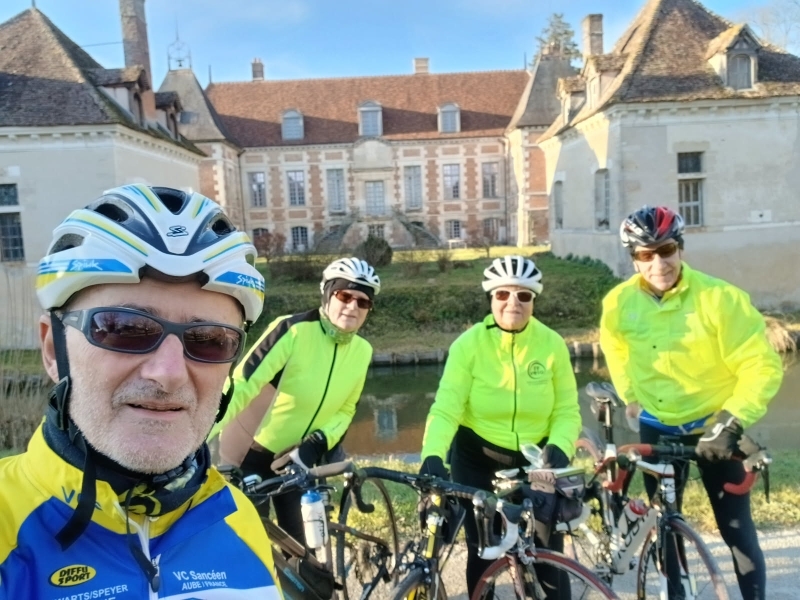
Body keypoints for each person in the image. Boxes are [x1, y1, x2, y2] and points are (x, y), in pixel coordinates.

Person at [0, 185, 281, 598]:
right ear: (53, 350)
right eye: (125, 329)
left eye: (210, 340)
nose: (168, 374)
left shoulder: (238, 518)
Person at [600, 205, 784, 600]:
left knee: (737, 532)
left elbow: (761, 366)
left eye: (666, 250)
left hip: (714, 427)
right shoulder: (618, 302)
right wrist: (630, 395)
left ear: (680, 248)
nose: (658, 264)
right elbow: (613, 346)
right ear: (634, 259)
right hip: (657, 425)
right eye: (646, 255)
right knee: (667, 528)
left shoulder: (720, 298)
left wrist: (732, 419)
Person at [419, 255, 582, 598]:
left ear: (533, 300)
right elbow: (446, 409)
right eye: (503, 294)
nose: (513, 303)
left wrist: (560, 445)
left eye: (523, 295)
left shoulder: (552, 344)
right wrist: (432, 454)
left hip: (536, 461)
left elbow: (567, 410)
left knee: (547, 554)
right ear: (490, 298)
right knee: (484, 551)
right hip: (476, 457)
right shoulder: (468, 345)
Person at [209, 257, 379, 545]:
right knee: (250, 547)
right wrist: (196, 438)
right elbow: (241, 385)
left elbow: (346, 410)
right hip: (248, 457)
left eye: (363, 302)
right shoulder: (292, 330)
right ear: (328, 294)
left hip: (296, 460)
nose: (353, 306)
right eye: (344, 296)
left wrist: (316, 443)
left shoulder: (363, 351)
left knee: (302, 550)